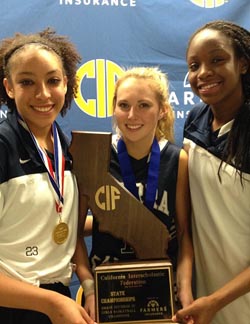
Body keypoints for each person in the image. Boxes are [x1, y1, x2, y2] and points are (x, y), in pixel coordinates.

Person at [75, 66, 194, 320]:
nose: (132, 115)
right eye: (124, 105)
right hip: (108, 293)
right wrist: (88, 287)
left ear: (162, 110)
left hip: (161, 292)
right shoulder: (94, 157)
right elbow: (73, 233)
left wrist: (184, 288)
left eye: (144, 105)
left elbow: (183, 233)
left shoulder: (177, 160)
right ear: (114, 109)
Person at [0, 29, 95, 324]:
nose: (42, 93)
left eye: (52, 80)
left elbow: (54, 221)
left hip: (57, 299)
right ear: (9, 87)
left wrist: (89, 286)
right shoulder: (3, 145)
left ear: (66, 83)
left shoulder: (64, 146)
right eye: (27, 82)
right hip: (14, 306)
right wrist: (52, 303)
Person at [172, 20, 250, 324]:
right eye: (194, 65)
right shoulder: (195, 120)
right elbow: (187, 220)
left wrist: (216, 301)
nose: (203, 72)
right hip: (205, 303)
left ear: (243, 63)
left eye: (217, 60)